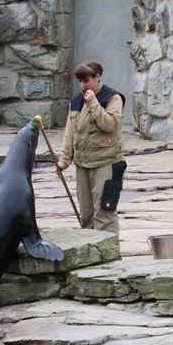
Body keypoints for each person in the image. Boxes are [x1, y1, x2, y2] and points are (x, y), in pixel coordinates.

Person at [56, 60, 126, 235]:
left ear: (98, 77)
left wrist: (94, 103)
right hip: (82, 165)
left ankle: (109, 253)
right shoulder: (76, 100)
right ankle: (90, 253)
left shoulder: (112, 98)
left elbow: (110, 125)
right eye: (79, 81)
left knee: (104, 212)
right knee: (86, 213)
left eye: (86, 80)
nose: (82, 85)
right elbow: (69, 132)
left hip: (106, 163)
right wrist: (63, 161)